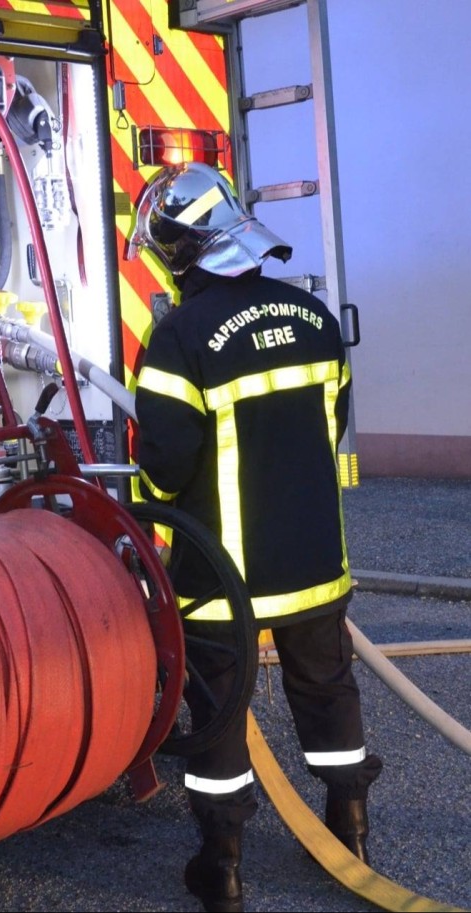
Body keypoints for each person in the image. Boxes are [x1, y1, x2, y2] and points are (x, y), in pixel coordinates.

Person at [128, 162, 382, 913]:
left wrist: (152, 517)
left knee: (218, 714)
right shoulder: (313, 316)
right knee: (326, 687)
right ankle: (350, 830)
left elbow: (164, 465)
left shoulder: (178, 337)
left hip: (222, 578)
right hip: (314, 559)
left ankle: (223, 866)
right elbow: (331, 426)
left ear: (179, 251)